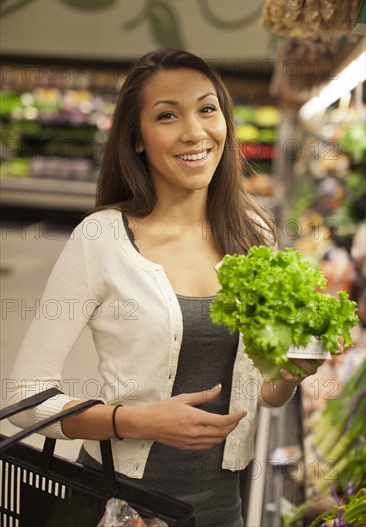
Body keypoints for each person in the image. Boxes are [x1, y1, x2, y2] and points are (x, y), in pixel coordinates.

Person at [7, 48, 324, 527]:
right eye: (168, 116)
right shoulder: (102, 238)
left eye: (207, 108)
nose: (195, 132)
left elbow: (261, 393)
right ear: (136, 138)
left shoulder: (254, 235)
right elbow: (24, 400)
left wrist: (291, 372)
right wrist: (135, 420)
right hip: (122, 508)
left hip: (223, 512)